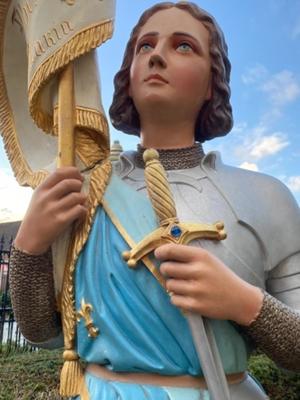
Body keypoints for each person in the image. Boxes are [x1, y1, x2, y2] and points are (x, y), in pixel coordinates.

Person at [9, 2, 300, 400]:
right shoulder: (86, 189)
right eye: (145, 47)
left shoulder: (266, 198)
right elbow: (42, 332)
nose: (158, 56)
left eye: (183, 46)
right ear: (127, 76)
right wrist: (30, 245)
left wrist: (244, 303)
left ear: (212, 82)